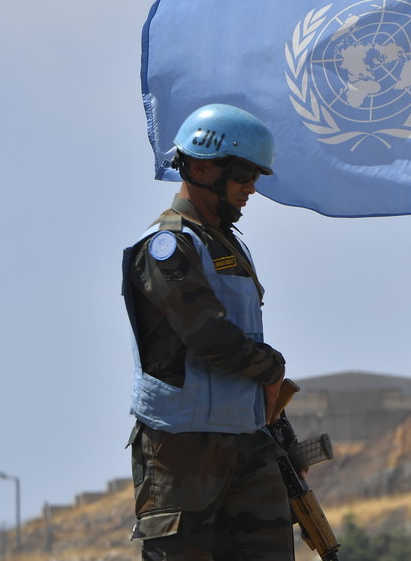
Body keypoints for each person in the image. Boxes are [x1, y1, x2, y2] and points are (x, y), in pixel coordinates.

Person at [122, 103, 294, 560]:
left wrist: (278, 432)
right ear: (201, 168)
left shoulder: (230, 247)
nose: (251, 188)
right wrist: (272, 369)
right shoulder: (166, 246)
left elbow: (245, 340)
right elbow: (208, 337)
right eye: (243, 175)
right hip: (182, 447)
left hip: (247, 438)